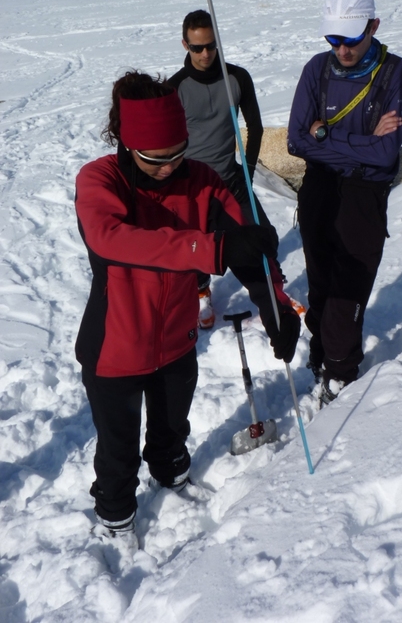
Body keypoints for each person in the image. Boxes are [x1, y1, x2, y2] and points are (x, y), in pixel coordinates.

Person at [75, 71, 300, 548]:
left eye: (178, 153)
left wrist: (275, 305)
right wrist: (210, 249)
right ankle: (116, 516)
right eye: (156, 159)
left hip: (176, 339)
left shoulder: (201, 180)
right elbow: (112, 239)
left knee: (172, 428)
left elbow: (246, 248)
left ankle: (173, 477)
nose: (169, 167)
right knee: (117, 447)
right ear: (127, 143)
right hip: (115, 348)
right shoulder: (100, 179)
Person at [287, 0, 402, 406]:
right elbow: (294, 141)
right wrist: (360, 142)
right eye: (333, 38)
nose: (341, 49)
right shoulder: (317, 68)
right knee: (320, 282)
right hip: (320, 187)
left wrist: (324, 134)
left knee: (349, 288)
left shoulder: (400, 75)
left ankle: (340, 374)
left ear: (374, 26)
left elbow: (385, 154)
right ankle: (320, 352)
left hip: (364, 194)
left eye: (350, 39)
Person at [168, 9, 274, 330]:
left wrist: (248, 173)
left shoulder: (236, 78)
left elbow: (255, 128)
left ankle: (274, 295)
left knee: (263, 238)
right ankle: (202, 291)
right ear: (185, 45)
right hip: (192, 186)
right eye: (197, 47)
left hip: (230, 179)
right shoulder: (175, 88)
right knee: (198, 246)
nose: (205, 54)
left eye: (211, 45)